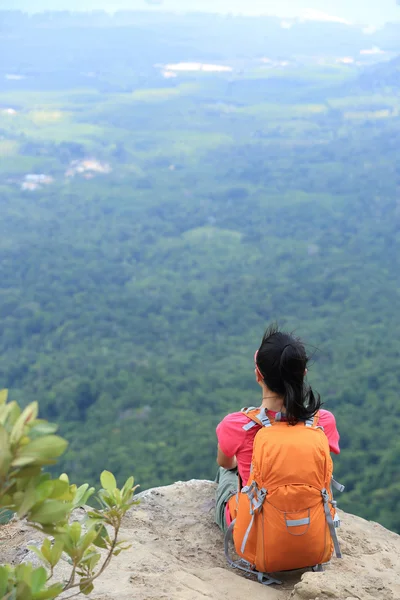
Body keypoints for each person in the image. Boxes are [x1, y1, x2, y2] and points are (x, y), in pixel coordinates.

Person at [215, 324, 340, 532]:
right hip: (310, 531)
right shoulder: (322, 422)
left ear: (258, 375)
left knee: (226, 472)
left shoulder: (236, 425)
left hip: (256, 535)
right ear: (303, 374)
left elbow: (225, 462)